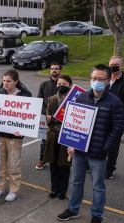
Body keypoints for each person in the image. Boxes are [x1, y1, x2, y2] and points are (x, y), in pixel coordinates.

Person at [57, 64, 124, 223]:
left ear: (108, 80)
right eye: (94, 78)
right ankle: (73, 209)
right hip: (79, 150)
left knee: (98, 186)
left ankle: (97, 215)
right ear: (90, 79)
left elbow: (118, 127)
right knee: (76, 181)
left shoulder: (115, 102)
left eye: (101, 79)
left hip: (98, 152)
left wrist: (106, 148)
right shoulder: (81, 97)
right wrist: (70, 143)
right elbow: (72, 122)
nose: (97, 82)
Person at [0, 69, 32, 202]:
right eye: (4, 80)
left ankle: (14, 190)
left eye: (9, 81)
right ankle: (0, 187)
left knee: (14, 164)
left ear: (16, 81)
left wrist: (23, 128)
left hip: (15, 136)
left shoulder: (25, 95)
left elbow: (29, 115)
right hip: (0, 134)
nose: (5, 83)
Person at [43, 75, 73, 200]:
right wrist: (52, 118)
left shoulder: (73, 101)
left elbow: (72, 120)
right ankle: (54, 189)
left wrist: (53, 118)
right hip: (52, 136)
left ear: (70, 85)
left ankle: (62, 191)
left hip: (66, 137)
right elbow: (48, 119)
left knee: (64, 165)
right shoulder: (51, 99)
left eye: (64, 84)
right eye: (59, 84)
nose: (61, 86)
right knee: (53, 164)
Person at [35, 62, 61, 170]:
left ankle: (59, 160)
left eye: (56, 68)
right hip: (46, 118)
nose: (54, 70)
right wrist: (47, 114)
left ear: (60, 70)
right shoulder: (44, 85)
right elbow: (39, 101)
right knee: (45, 141)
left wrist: (58, 115)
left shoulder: (63, 84)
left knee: (59, 141)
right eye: (52, 69)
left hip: (60, 119)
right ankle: (42, 159)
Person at [106, 56, 124, 179]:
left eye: (116, 64)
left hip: (118, 119)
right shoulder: (105, 79)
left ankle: (110, 169)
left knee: (113, 144)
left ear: (122, 66)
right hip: (102, 116)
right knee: (98, 140)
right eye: (112, 64)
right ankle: (95, 165)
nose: (114, 66)